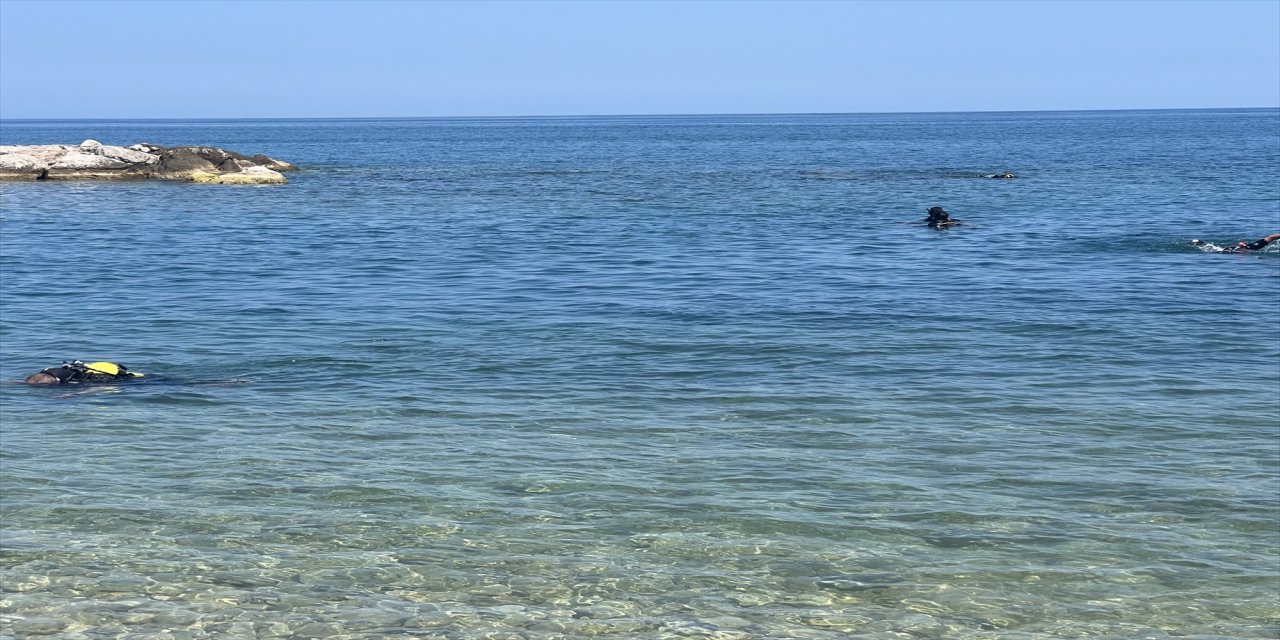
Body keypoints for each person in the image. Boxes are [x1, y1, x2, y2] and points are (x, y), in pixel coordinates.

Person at [24, 360, 145, 385]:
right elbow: (33, 381)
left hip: (129, 380)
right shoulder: (48, 372)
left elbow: (95, 389)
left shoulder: (69, 379)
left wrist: (73, 394)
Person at [1191, 233, 1280, 253]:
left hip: (1242, 249)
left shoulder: (1255, 246)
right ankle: (1199, 243)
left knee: (1215, 249)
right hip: (1240, 250)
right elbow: (1270, 237)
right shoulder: (1253, 247)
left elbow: (1270, 237)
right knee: (1215, 249)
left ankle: (1199, 243)